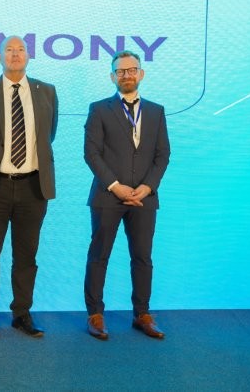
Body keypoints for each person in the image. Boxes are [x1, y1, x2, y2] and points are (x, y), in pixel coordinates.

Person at [0, 35, 58, 338]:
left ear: (28, 56)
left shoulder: (47, 91)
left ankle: (22, 313)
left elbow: (48, 136)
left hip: (33, 186)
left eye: (20, 50)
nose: (15, 54)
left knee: (26, 255)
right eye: (9, 50)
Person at [83, 50, 170, 340]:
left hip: (145, 197)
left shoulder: (156, 111)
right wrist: (115, 186)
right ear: (112, 77)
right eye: (121, 71)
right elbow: (92, 153)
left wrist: (148, 187)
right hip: (108, 196)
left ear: (141, 73)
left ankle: (142, 314)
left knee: (142, 257)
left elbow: (162, 154)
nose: (127, 75)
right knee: (99, 256)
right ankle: (95, 314)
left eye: (132, 70)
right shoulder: (99, 109)